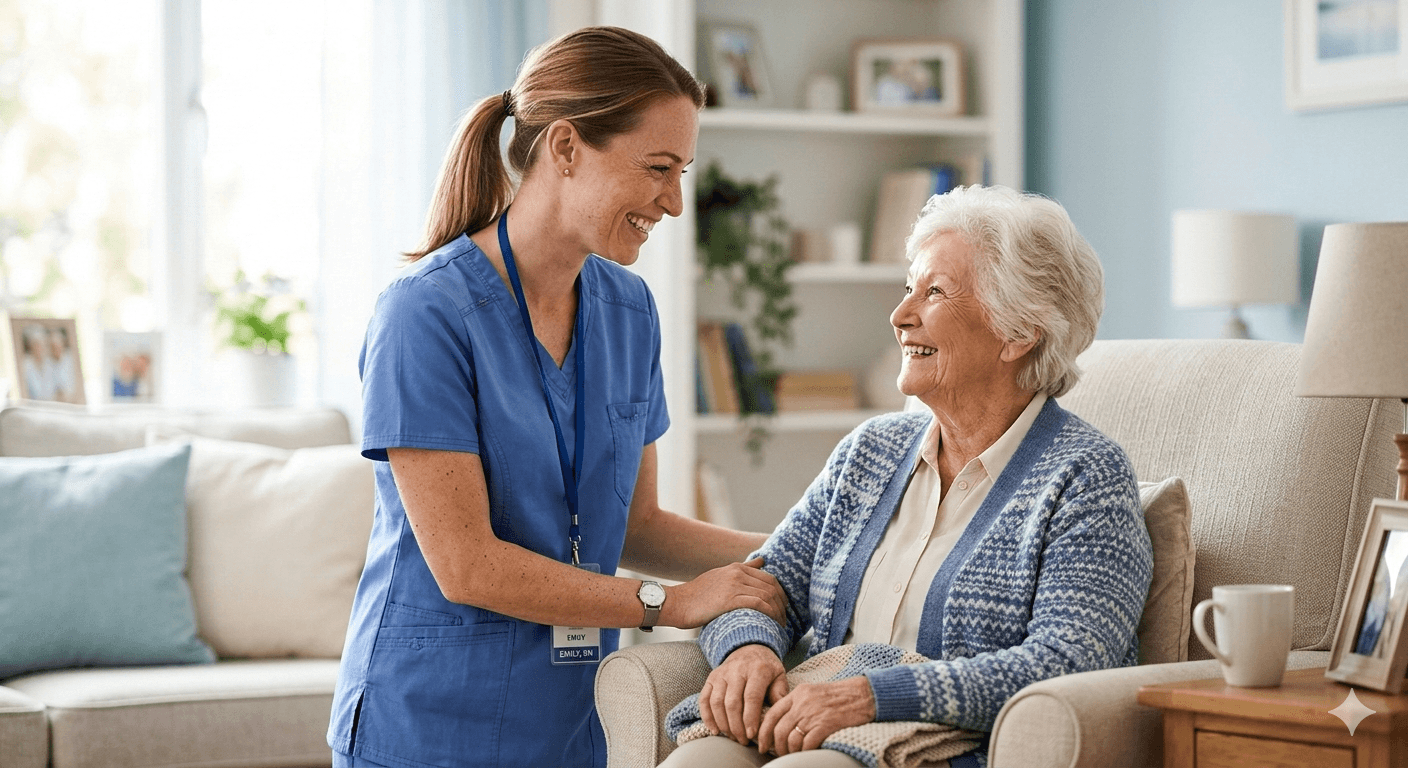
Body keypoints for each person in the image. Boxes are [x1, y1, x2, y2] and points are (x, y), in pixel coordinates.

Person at [328, 26, 787, 768]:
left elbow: (636, 525)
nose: (674, 202)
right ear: (566, 148)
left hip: (573, 727)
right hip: (427, 729)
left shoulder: (630, 312)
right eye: (658, 168)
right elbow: (466, 565)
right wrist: (670, 604)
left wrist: (796, 553)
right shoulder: (424, 314)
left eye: (682, 173)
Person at [662, 185, 1155, 768]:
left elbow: (1070, 662)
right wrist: (746, 650)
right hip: (810, 721)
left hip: (942, 745)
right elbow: (757, 587)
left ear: (1019, 332)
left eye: (934, 292)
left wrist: (874, 696)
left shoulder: (1087, 478)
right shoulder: (870, 451)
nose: (900, 316)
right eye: (908, 289)